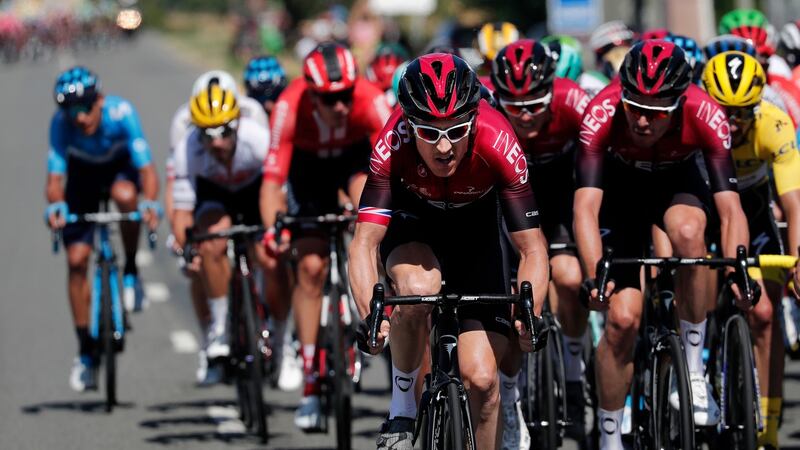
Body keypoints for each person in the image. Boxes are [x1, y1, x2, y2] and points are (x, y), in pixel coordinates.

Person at [351, 52, 550, 450]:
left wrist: (532, 315)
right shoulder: (391, 142)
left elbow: (532, 249)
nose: (444, 147)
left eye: (458, 130)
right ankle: (402, 409)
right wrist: (371, 316)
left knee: (481, 379)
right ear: (409, 124)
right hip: (415, 225)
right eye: (429, 132)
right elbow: (364, 243)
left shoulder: (498, 140)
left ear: (474, 119)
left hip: (476, 234)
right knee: (417, 286)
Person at [574, 40, 751, 450]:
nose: (641, 121)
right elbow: (585, 208)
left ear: (679, 101)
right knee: (621, 321)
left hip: (678, 185)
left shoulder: (705, 111)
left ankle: (692, 369)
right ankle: (608, 437)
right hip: (619, 197)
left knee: (690, 235)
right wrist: (593, 276)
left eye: (655, 113)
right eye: (634, 106)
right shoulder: (601, 111)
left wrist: (737, 268)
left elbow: (730, 210)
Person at [259, 41, 392, 431]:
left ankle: (370, 305)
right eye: (330, 99)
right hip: (308, 170)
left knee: (374, 218)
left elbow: (394, 167)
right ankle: (310, 383)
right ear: (312, 93)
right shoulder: (289, 106)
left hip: (354, 163)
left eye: (346, 95)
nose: (341, 106)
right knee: (311, 266)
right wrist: (273, 230)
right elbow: (272, 181)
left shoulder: (368, 101)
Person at [490, 38, 591, 447]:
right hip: (507, 200)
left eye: (535, 104)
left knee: (568, 278)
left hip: (560, 193)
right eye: (514, 107)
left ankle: (571, 371)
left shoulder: (574, 101)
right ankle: (512, 396)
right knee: (515, 298)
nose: (525, 115)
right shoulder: (488, 111)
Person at [702, 51, 800, 449]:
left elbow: (793, 203)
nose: (732, 122)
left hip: (754, 208)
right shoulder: (697, 126)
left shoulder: (774, 124)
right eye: (724, 110)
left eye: (743, 112)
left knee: (764, 314)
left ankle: (769, 428)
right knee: (694, 285)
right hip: (706, 206)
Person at [44, 66, 160, 391]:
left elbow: (147, 170)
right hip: (82, 177)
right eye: (71, 111)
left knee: (127, 198)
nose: (80, 118)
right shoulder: (61, 125)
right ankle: (84, 351)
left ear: (100, 100)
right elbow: (55, 181)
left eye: (86, 108)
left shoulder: (122, 113)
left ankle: (132, 271)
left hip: (119, 171)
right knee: (77, 259)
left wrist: (149, 201)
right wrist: (56, 205)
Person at [165, 70, 273, 385]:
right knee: (208, 243)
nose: (218, 141)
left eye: (225, 131)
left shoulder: (256, 134)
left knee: (270, 253)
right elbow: (182, 204)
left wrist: (275, 230)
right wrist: (184, 241)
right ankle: (219, 329)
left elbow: (276, 187)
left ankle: (277, 336)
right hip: (213, 192)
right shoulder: (186, 143)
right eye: (208, 134)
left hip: (253, 188)